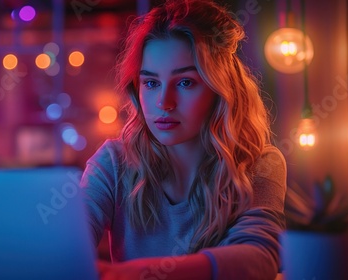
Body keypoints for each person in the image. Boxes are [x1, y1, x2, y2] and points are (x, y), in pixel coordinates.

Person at [80, 0, 287, 279]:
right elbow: (67, 248)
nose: (164, 103)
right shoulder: (114, 162)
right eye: (151, 83)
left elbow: (260, 258)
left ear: (220, 88)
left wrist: (134, 274)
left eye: (185, 82)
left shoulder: (260, 163)